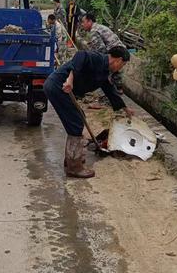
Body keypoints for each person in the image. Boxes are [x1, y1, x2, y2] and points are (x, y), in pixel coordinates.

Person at [44, 46, 133, 178]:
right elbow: (80, 55)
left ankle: (71, 158)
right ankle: (74, 167)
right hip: (58, 87)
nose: (121, 68)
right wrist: (70, 79)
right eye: (123, 64)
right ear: (118, 60)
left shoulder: (104, 72)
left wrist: (125, 108)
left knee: (79, 117)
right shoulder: (97, 59)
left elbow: (110, 91)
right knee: (76, 123)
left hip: (63, 92)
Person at [81, 13, 126, 92]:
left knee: (102, 68)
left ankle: (110, 91)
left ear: (89, 21)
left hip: (116, 54)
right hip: (121, 52)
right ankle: (118, 90)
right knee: (114, 73)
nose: (82, 24)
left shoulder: (94, 31)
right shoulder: (99, 27)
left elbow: (101, 51)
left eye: (83, 22)